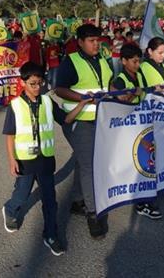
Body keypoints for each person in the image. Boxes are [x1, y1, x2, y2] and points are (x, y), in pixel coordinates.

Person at [54, 23, 112, 239]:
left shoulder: (103, 60)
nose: (96, 44)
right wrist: (82, 98)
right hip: (78, 121)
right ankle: (93, 213)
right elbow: (59, 89)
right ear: (80, 42)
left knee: (82, 161)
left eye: (98, 40)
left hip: (101, 119)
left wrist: (121, 93)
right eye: (91, 40)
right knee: (90, 165)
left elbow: (109, 84)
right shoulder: (71, 61)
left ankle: (78, 200)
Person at [1, 62, 65, 256]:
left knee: (50, 199)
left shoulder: (47, 102)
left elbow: (65, 118)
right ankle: (10, 210)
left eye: (40, 83)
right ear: (23, 83)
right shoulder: (15, 105)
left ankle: (51, 235)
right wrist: (12, 160)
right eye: (33, 84)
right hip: (25, 160)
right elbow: (9, 134)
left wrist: (84, 104)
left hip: (45, 159)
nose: (37, 88)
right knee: (22, 193)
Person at [135, 37, 164, 217]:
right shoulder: (142, 68)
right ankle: (143, 202)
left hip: (163, 117)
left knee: (162, 155)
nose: (163, 56)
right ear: (149, 51)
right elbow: (140, 90)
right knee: (147, 160)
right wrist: (153, 90)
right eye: (160, 52)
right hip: (147, 118)